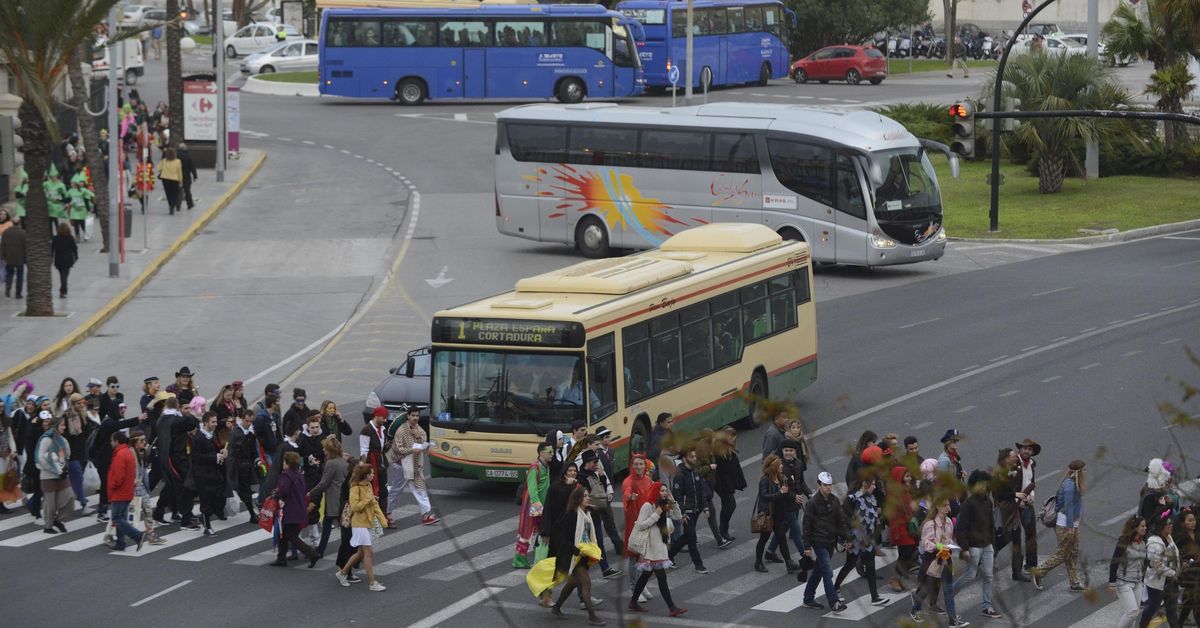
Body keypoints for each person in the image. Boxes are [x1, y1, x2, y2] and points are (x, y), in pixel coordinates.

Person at [548, 486, 605, 625]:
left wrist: (593, 510)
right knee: (586, 584)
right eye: (585, 496)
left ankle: (556, 608)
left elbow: (590, 532)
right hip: (574, 555)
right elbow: (564, 538)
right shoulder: (571, 515)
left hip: (584, 554)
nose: (588, 498)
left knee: (573, 583)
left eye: (588, 496)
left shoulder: (587, 513)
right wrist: (576, 551)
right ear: (578, 499)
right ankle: (592, 616)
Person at [629, 482, 687, 617]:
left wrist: (673, 503)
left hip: (660, 545)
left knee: (646, 575)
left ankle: (633, 601)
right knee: (661, 577)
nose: (664, 493)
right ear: (656, 491)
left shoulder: (664, 504)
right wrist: (656, 514)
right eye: (662, 491)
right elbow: (640, 525)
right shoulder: (648, 506)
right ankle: (672, 608)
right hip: (651, 547)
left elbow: (677, 517)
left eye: (666, 490)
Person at [952, 470, 1002, 619]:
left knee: (988, 576)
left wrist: (993, 542)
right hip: (973, 546)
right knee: (970, 575)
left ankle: (987, 606)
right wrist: (965, 548)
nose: (983, 487)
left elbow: (991, 523)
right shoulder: (969, 504)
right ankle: (948, 595)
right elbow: (961, 528)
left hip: (987, 545)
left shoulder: (988, 502)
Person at [910, 499, 967, 627]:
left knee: (948, 590)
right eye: (945, 505)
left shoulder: (949, 522)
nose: (948, 509)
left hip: (946, 559)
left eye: (948, 505)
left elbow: (949, 539)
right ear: (937, 507)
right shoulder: (930, 524)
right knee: (926, 589)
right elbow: (926, 544)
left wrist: (951, 545)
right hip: (932, 560)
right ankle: (915, 608)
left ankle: (952, 620)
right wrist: (938, 545)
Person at [1032, 459, 1086, 590]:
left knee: (1074, 552)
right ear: (1078, 472)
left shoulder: (1075, 483)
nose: (1085, 472)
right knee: (1063, 553)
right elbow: (1068, 507)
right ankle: (1039, 572)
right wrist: (1070, 526)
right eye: (1084, 469)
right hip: (1066, 524)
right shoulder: (1069, 485)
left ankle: (1074, 582)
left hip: (1072, 523)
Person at [801, 471, 849, 612]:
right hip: (818, 542)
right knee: (827, 572)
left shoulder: (834, 500)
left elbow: (840, 521)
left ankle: (808, 598)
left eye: (830, 485)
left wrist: (847, 538)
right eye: (825, 485)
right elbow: (806, 526)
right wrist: (807, 546)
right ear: (819, 485)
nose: (828, 487)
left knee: (818, 571)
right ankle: (834, 602)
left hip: (830, 541)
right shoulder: (812, 503)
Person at [336, 462, 388, 590]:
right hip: (359, 524)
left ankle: (342, 573)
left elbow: (374, 505)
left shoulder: (368, 485)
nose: (374, 475)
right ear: (366, 475)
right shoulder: (355, 488)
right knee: (368, 553)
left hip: (367, 522)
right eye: (372, 473)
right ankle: (372, 583)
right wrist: (367, 500)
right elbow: (355, 506)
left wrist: (383, 520)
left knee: (360, 553)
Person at [386, 404, 438, 526]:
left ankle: (426, 515)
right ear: (408, 416)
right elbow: (398, 448)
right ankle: (387, 512)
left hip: (415, 466)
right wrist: (411, 450)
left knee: (420, 489)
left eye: (417, 416)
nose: (415, 418)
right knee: (396, 490)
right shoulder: (401, 430)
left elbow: (424, 441)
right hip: (402, 465)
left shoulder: (419, 430)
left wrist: (418, 436)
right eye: (413, 415)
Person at [270, 451, 321, 568]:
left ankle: (312, 554)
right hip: (299, 508)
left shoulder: (286, 475)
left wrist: (275, 493)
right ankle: (281, 558)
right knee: (284, 535)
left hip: (290, 509)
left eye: (284, 462)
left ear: (287, 463)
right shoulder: (299, 475)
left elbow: (283, 490)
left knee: (291, 535)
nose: (283, 464)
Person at [765, 438, 808, 565]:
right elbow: (781, 488)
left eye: (791, 450)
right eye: (786, 450)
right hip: (785, 504)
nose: (788, 453)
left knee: (784, 527)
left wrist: (809, 493)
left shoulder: (799, 463)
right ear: (782, 451)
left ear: (795, 451)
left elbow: (801, 482)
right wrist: (794, 497)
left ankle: (770, 551)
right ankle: (805, 557)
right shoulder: (780, 467)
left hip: (796, 503)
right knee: (796, 532)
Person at [579, 448, 620, 578]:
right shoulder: (581, 477)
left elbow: (601, 491)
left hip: (595, 514)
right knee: (585, 546)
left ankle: (605, 569)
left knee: (599, 542)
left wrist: (602, 476)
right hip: (585, 516)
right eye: (595, 462)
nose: (597, 464)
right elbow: (584, 496)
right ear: (587, 462)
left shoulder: (593, 474)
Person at [754, 454, 798, 573]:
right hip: (768, 514)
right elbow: (764, 496)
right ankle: (758, 562)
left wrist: (790, 489)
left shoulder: (781, 477)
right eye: (780, 464)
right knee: (763, 539)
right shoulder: (765, 480)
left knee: (782, 538)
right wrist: (780, 493)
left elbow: (786, 492)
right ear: (774, 466)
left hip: (779, 514)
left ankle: (789, 563)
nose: (782, 466)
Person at [669, 448, 710, 574]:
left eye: (695, 456)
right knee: (692, 537)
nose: (695, 458)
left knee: (687, 536)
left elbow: (701, 490)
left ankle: (669, 555)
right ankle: (698, 564)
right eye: (692, 457)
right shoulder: (679, 475)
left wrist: (705, 507)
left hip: (696, 509)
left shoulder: (695, 471)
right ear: (684, 458)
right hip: (687, 512)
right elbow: (677, 496)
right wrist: (683, 513)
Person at [623, 454, 657, 602]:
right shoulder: (628, 481)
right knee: (634, 556)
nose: (638, 467)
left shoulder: (648, 480)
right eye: (636, 464)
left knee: (646, 556)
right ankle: (634, 589)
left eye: (641, 464)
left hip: (648, 521)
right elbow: (626, 491)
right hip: (634, 523)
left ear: (645, 466)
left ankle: (642, 585)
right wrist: (630, 497)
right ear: (632, 465)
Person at [308, 436, 349, 557]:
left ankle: (321, 551)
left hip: (333, 498)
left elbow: (324, 483)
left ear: (330, 450)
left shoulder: (331, 463)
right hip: (342, 497)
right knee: (340, 526)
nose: (323, 450)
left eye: (325, 449)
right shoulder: (343, 460)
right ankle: (321, 550)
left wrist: (310, 493)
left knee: (329, 525)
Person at [514, 443, 553, 568]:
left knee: (543, 531)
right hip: (533, 505)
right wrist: (538, 506)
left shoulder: (546, 466)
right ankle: (519, 561)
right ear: (541, 453)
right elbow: (532, 488)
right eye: (549, 452)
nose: (552, 454)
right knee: (527, 532)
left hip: (543, 504)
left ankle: (540, 559)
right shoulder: (534, 467)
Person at [106, 431, 144, 551]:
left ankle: (137, 535)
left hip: (120, 492)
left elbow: (118, 477)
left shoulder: (120, 455)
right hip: (127, 490)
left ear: (117, 441)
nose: (111, 443)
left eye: (112, 441)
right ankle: (120, 543)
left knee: (116, 518)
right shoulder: (128, 452)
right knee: (121, 517)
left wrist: (112, 486)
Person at [190, 411, 226, 536]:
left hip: (212, 472)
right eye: (213, 422)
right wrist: (215, 457)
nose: (215, 424)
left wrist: (221, 452)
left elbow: (214, 450)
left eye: (216, 421)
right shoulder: (199, 438)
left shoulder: (212, 434)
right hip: (202, 474)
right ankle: (207, 527)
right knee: (206, 500)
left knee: (217, 495)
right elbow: (196, 457)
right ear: (205, 423)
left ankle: (206, 517)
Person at [1008, 438, 1040, 581]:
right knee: (1014, 538)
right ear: (1020, 449)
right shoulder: (1013, 464)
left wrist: (1031, 496)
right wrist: (1017, 499)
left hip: (1026, 503)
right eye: (1025, 448)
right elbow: (1008, 485)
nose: (1027, 451)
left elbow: (1031, 482)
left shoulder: (1032, 464)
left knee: (1031, 534)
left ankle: (1031, 565)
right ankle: (1016, 570)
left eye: (1029, 449)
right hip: (1014, 504)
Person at [1141, 515, 1181, 627]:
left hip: (1171, 582)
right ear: (1161, 526)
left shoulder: (1168, 536)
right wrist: (1173, 573)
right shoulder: (1154, 544)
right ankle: (1142, 625)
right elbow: (1157, 566)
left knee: (1172, 611)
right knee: (1153, 607)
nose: (1171, 525)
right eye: (1168, 524)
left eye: (1171, 523)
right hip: (1157, 583)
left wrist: (1178, 568)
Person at [1109, 515, 1149, 628]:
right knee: (1132, 612)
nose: (1145, 528)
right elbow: (1114, 563)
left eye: (1145, 526)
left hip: (1138, 583)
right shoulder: (1124, 543)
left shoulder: (1143, 543)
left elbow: (1145, 562)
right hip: (1123, 582)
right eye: (1142, 526)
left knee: (1133, 616)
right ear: (1135, 527)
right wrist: (1112, 583)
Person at [36, 414, 73, 533]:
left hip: (62, 474)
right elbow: (40, 458)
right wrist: (53, 469)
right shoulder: (46, 440)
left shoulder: (62, 439)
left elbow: (67, 454)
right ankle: (48, 526)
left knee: (69, 498)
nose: (64, 427)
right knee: (50, 505)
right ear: (56, 426)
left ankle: (58, 520)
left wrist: (64, 444)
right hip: (48, 476)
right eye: (62, 425)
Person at [887, 465, 919, 592]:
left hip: (907, 527)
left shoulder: (905, 490)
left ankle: (899, 578)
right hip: (900, 529)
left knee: (907, 554)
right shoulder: (896, 494)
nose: (909, 478)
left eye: (910, 476)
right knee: (905, 554)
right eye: (906, 476)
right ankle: (895, 579)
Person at [712, 426, 746, 545]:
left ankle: (723, 530)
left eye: (734, 436)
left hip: (727, 483)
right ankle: (723, 530)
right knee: (731, 505)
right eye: (730, 436)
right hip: (721, 484)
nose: (733, 439)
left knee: (727, 505)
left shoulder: (730, 450)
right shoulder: (719, 451)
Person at [227, 408, 260, 523]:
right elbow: (231, 453)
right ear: (241, 419)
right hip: (238, 467)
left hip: (247, 467)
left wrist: (257, 460)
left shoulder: (250, 433)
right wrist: (231, 471)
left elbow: (253, 450)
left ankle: (252, 513)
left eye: (251, 421)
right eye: (247, 421)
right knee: (243, 491)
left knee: (245, 491)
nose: (249, 423)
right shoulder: (235, 433)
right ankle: (252, 514)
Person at [360, 406, 390, 518]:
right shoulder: (366, 430)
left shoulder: (383, 429)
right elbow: (364, 450)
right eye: (383, 418)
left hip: (381, 464)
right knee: (372, 490)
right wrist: (363, 466)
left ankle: (383, 516)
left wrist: (387, 446)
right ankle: (372, 516)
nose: (385, 420)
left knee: (383, 490)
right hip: (371, 464)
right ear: (377, 416)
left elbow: (381, 448)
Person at [1176, 509, 1200, 626]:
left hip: (1197, 572)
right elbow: (1177, 554)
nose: (1192, 523)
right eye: (1189, 521)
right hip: (1190, 574)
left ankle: (1179, 623)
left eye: (1193, 520)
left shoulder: (1197, 534)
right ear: (1183, 523)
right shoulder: (1180, 537)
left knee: (1188, 602)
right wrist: (1185, 561)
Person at [48, 222, 78, 298]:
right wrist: (76, 256)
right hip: (68, 259)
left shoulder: (55, 238)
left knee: (62, 275)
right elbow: (74, 248)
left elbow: (52, 249)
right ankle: (63, 291)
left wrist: (51, 257)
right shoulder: (70, 238)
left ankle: (63, 289)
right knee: (64, 275)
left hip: (59, 259)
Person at [1, 217, 25, 298]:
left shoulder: (6, 232)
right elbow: (26, 247)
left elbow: (2, 245)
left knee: (9, 274)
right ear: (19, 223)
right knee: (20, 276)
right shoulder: (23, 233)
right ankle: (18, 293)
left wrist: (3, 257)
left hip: (9, 258)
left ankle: (8, 288)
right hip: (20, 258)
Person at [177, 142, 198, 210]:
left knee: (178, 191)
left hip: (177, 176)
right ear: (184, 148)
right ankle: (190, 204)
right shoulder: (188, 156)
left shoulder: (176, 155)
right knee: (187, 191)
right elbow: (192, 167)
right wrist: (195, 176)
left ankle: (177, 205)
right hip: (186, 176)